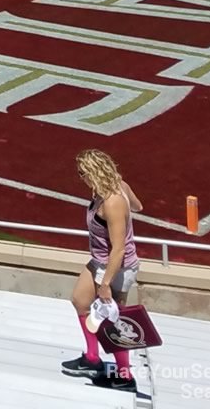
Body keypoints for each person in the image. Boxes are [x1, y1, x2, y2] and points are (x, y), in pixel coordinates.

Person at [63, 149, 141, 391]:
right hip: (98, 261)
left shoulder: (112, 201)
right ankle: (93, 359)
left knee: (114, 323)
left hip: (115, 268)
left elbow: (117, 249)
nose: (81, 178)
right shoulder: (115, 188)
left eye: (83, 173)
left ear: (94, 172)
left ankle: (125, 376)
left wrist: (106, 284)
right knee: (79, 300)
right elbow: (138, 206)